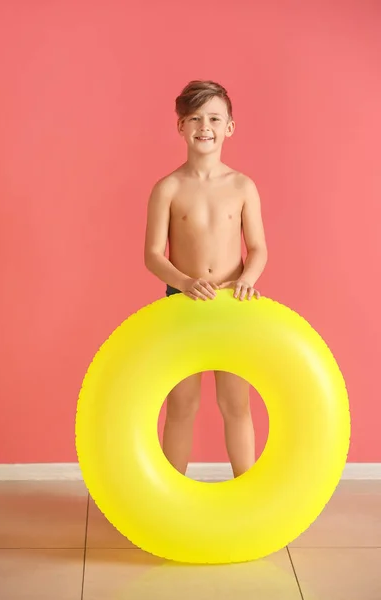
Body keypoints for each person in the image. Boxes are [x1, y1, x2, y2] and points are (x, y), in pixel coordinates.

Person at [144, 80, 268, 478]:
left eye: (214, 118)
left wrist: (249, 277)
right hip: (183, 302)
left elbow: (259, 248)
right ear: (180, 126)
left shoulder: (242, 186)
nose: (205, 126)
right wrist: (183, 282)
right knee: (182, 404)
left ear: (229, 127)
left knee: (236, 403)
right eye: (194, 118)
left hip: (234, 303)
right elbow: (152, 255)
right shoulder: (167, 188)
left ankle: (244, 491)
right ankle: (170, 495)